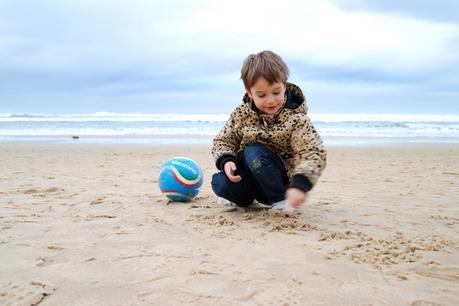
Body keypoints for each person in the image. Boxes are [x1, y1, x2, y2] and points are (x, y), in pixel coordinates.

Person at [211, 50, 327, 210]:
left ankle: (280, 200)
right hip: (250, 179)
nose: (271, 100)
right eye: (262, 95)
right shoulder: (241, 114)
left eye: (276, 92)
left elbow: (313, 151)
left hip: (280, 182)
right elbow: (223, 140)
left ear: (284, 86)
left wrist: (300, 184)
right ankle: (244, 200)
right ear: (250, 93)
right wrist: (227, 160)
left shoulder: (297, 119)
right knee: (219, 183)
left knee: (253, 153)